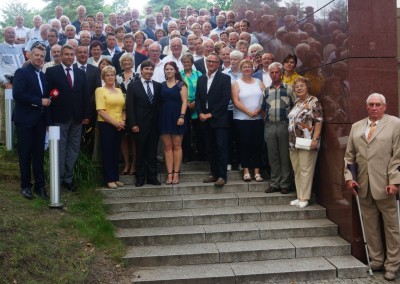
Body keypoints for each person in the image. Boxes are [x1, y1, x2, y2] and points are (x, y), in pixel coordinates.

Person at [344, 93, 400, 281]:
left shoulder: (395, 124)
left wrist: (394, 181)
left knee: (392, 228)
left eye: (378, 105)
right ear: (366, 107)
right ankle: (376, 260)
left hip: (386, 186)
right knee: (370, 226)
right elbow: (349, 156)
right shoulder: (356, 127)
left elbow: (397, 156)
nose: (374, 108)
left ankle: (392, 265)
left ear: (385, 107)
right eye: (371, 105)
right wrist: (349, 178)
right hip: (363, 185)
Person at [45, 44, 90, 192]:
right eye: (67, 54)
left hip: (77, 118)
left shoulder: (80, 73)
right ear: (61, 55)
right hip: (59, 118)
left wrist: (86, 115)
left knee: (73, 149)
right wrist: (48, 120)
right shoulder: (52, 72)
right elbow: (48, 96)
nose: (70, 57)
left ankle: (68, 178)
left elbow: (85, 95)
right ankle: (57, 178)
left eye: (72, 54)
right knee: (60, 149)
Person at [13, 43, 51, 199]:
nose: (40, 58)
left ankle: (40, 186)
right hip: (25, 120)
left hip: (39, 121)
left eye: (42, 56)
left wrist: (47, 122)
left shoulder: (42, 75)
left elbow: (46, 99)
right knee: (25, 154)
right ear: (30, 55)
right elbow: (18, 94)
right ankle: (25, 186)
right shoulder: (21, 72)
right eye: (37, 55)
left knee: (38, 154)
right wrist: (38, 101)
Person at [195, 53, 231, 186]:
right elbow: (197, 98)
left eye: (213, 62)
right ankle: (213, 173)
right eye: (208, 61)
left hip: (219, 119)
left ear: (218, 64)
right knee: (210, 148)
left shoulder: (225, 78)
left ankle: (222, 176)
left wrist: (211, 114)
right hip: (204, 119)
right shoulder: (201, 79)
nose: (210, 63)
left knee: (221, 147)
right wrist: (200, 113)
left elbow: (225, 100)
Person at [288, 77, 323, 208]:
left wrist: (315, 139)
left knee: (305, 169)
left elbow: (318, 121)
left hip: (307, 141)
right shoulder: (297, 102)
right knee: (297, 170)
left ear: (308, 87)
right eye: (297, 87)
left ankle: (305, 197)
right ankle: (299, 196)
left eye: (302, 86)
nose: (299, 88)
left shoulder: (313, 101)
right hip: (293, 142)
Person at [126, 60, 162, 187]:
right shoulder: (133, 86)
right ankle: (140, 177)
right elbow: (130, 107)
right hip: (139, 125)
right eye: (146, 69)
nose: (149, 72)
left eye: (151, 69)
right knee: (140, 152)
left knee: (152, 152)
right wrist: (133, 124)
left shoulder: (158, 86)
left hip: (154, 125)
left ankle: (152, 177)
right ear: (141, 71)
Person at [261, 62, 296, 194]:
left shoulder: (289, 89)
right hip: (270, 125)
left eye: (277, 72)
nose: (274, 75)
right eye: (272, 72)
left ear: (281, 73)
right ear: (269, 74)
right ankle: (275, 183)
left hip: (284, 125)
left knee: (284, 155)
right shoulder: (266, 90)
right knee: (273, 155)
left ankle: (285, 184)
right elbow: (263, 109)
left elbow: (295, 106)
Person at [231, 59, 265, 182]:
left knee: (257, 144)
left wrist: (258, 111)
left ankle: (257, 172)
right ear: (241, 69)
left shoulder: (259, 82)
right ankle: (245, 171)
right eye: (244, 67)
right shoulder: (236, 83)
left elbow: (265, 98)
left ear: (252, 69)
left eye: (249, 67)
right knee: (244, 144)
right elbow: (235, 101)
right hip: (241, 119)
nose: (247, 69)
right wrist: (248, 112)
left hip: (258, 119)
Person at [95, 66, 125, 189]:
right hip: (106, 124)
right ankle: (108, 179)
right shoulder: (100, 90)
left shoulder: (119, 90)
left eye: (112, 75)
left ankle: (115, 177)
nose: (110, 77)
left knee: (116, 151)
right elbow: (100, 111)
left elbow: (124, 108)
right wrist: (115, 123)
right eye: (107, 75)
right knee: (107, 151)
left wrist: (123, 121)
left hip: (119, 124)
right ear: (103, 77)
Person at [159, 62, 188, 184]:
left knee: (177, 146)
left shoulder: (181, 84)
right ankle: (169, 174)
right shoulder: (161, 85)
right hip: (164, 117)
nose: (169, 71)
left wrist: (182, 116)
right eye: (167, 69)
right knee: (167, 147)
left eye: (171, 69)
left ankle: (176, 174)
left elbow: (185, 101)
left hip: (177, 117)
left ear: (176, 71)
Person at [0, 26, 25, 144]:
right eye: (8, 33)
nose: (11, 35)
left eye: (13, 33)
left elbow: (22, 64)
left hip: (19, 83)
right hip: (6, 83)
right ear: (4, 34)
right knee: (6, 111)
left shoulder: (19, 48)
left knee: (18, 111)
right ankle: (4, 141)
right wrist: (5, 82)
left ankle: (16, 138)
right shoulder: (0, 47)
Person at [116, 53, 140, 176]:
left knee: (134, 139)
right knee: (123, 138)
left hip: (134, 110)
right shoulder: (117, 77)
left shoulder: (137, 76)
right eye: (124, 61)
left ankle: (134, 164)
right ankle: (126, 163)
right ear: (121, 63)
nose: (126, 63)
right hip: (120, 111)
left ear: (132, 62)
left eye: (128, 60)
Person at [180, 54, 204, 162]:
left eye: (188, 62)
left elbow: (202, 90)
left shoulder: (199, 74)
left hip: (197, 105)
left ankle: (201, 154)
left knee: (199, 131)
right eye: (184, 62)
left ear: (192, 63)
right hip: (183, 105)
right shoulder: (179, 75)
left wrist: (195, 102)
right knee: (185, 132)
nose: (186, 64)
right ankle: (186, 155)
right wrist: (186, 102)